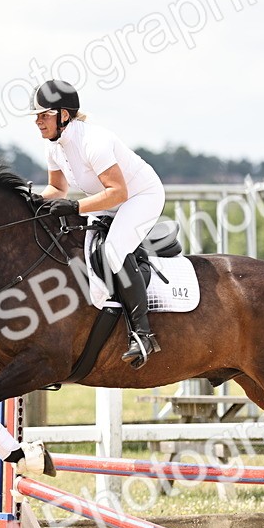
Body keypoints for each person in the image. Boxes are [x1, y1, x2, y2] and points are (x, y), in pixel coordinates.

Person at [29, 80, 166, 368]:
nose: (38, 121)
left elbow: (119, 192)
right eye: (36, 115)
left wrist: (76, 206)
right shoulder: (54, 146)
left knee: (114, 250)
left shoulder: (94, 141)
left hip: (140, 197)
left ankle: (142, 334)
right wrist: (31, 203)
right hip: (109, 201)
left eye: (44, 114)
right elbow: (57, 190)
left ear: (63, 115)